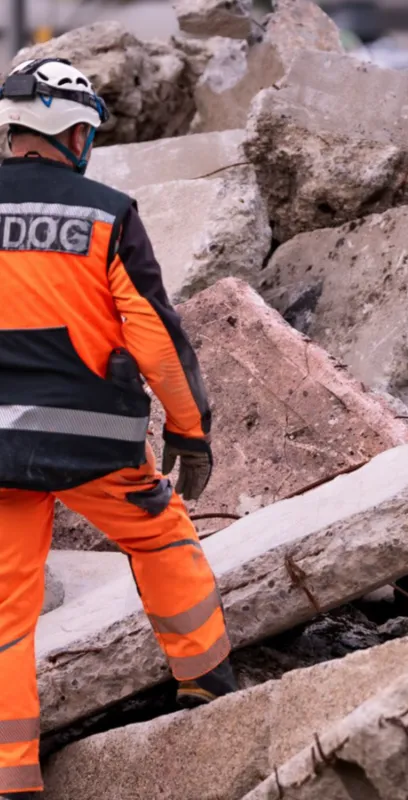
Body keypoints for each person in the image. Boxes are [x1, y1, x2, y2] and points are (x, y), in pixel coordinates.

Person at [0, 57, 238, 797]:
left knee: (7, 606)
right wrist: (189, 432)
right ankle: (204, 681)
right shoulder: (107, 214)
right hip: (91, 440)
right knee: (162, 535)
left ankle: (11, 778)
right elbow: (155, 339)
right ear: (74, 132)